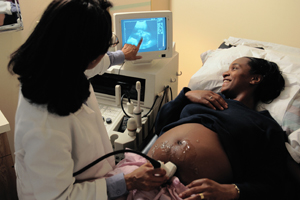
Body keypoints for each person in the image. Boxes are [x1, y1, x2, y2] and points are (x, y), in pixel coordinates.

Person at [8, 0, 167, 199]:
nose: (105, 53)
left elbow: (93, 65)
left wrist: (122, 55)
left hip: (98, 176)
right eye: (105, 45)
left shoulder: (56, 67)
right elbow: (59, 197)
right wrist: (128, 181)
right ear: (84, 54)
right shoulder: (43, 126)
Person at [147, 57, 288, 200]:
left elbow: (273, 183)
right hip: (144, 176)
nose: (225, 74)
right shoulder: (202, 99)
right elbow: (160, 126)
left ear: (255, 79)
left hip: (192, 194)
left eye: (234, 68)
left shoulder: (265, 125)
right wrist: (186, 95)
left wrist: (233, 191)